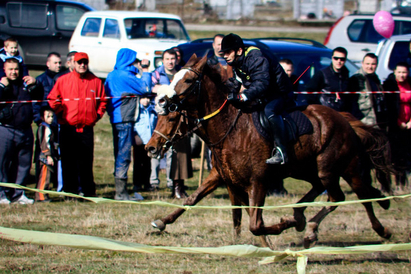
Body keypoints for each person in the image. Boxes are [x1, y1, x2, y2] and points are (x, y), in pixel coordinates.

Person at [219, 33, 294, 165]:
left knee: (270, 111)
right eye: (223, 53)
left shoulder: (256, 57)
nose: (225, 56)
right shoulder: (237, 61)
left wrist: (243, 96)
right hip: (263, 94)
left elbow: (262, 83)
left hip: (279, 93)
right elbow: (241, 81)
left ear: (239, 50)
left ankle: (282, 151)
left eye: (228, 52)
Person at [47, 52, 107, 198]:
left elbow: (103, 101)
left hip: (86, 128)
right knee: (68, 162)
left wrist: (96, 116)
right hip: (68, 128)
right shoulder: (63, 80)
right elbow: (53, 99)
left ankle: (88, 193)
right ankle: (70, 192)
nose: (82, 65)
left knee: (86, 162)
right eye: (79, 62)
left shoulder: (96, 81)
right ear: (73, 63)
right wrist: (62, 114)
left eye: (84, 62)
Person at [104, 48, 152, 201]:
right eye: (134, 60)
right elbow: (145, 88)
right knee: (124, 155)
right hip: (125, 119)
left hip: (116, 118)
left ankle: (120, 189)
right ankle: (121, 192)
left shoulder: (112, 75)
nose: (136, 63)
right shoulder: (126, 76)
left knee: (118, 152)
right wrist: (145, 71)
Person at [0, 58, 43, 205]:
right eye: (10, 69)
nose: (14, 72)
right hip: (6, 129)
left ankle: (19, 194)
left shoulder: (26, 84)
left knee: (23, 163)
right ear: (5, 70)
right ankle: (2, 194)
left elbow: (39, 96)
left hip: (25, 129)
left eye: (16, 69)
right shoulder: (2, 84)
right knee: (3, 163)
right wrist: (0, 86)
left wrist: (36, 84)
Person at [151, 48, 180, 190]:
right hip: (159, 117)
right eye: (167, 59)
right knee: (156, 148)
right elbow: (150, 87)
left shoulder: (179, 74)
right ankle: (154, 181)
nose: (170, 62)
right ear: (163, 60)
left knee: (171, 150)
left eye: (172, 59)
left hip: (173, 119)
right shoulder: (156, 74)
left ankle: (170, 181)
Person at [383, 62, 411, 188]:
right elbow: (389, 107)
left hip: (409, 124)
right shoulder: (390, 84)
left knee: (406, 153)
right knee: (394, 154)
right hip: (395, 125)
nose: (402, 75)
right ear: (394, 72)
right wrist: (399, 122)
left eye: (404, 72)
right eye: (399, 72)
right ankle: (392, 182)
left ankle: (403, 181)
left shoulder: (409, 83)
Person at [348, 53, 389, 130]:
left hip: (377, 122)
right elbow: (351, 103)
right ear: (362, 63)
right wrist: (359, 120)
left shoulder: (375, 78)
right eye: (367, 64)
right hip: (364, 122)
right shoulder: (356, 79)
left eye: (373, 64)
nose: (370, 67)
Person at [305, 47, 350, 112]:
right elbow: (309, 91)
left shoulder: (346, 74)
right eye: (336, 58)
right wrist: (317, 108)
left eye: (342, 59)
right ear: (332, 58)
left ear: (345, 60)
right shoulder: (322, 74)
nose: (338, 61)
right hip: (325, 112)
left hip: (341, 112)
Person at [133, 94, 158, 194]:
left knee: (147, 163)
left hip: (149, 141)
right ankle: (137, 184)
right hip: (139, 140)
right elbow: (134, 124)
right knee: (138, 163)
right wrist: (135, 136)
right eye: (143, 98)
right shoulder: (137, 111)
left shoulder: (153, 111)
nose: (146, 101)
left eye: (148, 98)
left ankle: (147, 183)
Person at [34, 105, 59, 202]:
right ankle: (40, 196)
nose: (51, 119)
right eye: (48, 116)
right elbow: (44, 143)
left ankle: (45, 194)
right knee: (44, 176)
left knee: (48, 176)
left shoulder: (50, 127)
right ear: (42, 117)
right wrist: (48, 155)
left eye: (52, 116)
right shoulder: (43, 128)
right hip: (43, 157)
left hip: (48, 156)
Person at [33, 52, 62, 125]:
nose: (58, 65)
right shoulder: (40, 80)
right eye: (55, 63)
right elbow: (35, 102)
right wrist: (38, 119)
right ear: (48, 64)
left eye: (59, 63)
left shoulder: (63, 79)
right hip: (46, 119)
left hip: (61, 119)